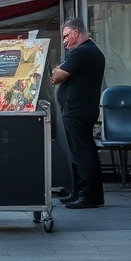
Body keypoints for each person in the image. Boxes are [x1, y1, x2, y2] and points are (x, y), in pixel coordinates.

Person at [50, 16, 106, 209]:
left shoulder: (83, 52)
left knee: (82, 152)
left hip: (78, 110)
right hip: (79, 109)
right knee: (80, 151)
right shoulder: (86, 51)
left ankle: (89, 195)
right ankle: (80, 191)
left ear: (76, 32)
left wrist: (58, 71)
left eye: (66, 36)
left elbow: (57, 76)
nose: (65, 41)